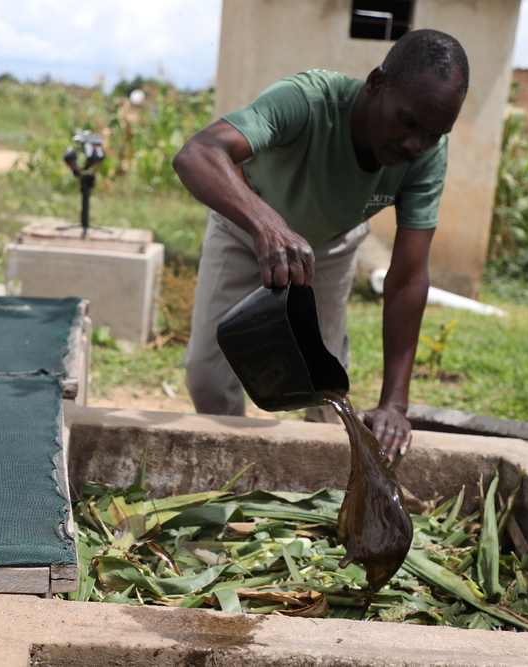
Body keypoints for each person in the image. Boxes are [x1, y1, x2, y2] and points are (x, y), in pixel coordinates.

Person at [172, 29, 469, 460]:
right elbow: (197, 154)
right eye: (407, 123)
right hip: (244, 226)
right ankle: (235, 467)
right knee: (207, 376)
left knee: (324, 384)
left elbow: (407, 277)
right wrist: (266, 225)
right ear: (376, 83)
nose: (415, 145)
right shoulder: (307, 101)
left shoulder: (425, 157)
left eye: (433, 134)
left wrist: (394, 405)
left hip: (330, 248)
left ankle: (323, 473)